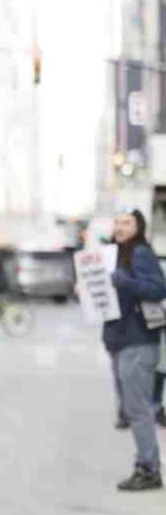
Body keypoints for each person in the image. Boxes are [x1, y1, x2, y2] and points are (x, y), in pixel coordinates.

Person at [103, 209, 164, 491]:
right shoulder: (115, 253)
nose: (119, 226)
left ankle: (149, 469)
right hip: (122, 341)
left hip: (138, 342)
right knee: (132, 409)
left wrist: (124, 282)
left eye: (126, 222)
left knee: (138, 410)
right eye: (116, 221)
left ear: (138, 227)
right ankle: (147, 465)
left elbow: (158, 288)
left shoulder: (139, 253)